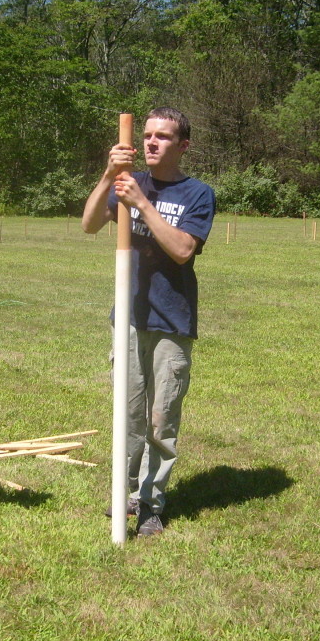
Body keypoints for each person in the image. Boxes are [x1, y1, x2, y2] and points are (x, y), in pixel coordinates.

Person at [82, 107, 216, 537]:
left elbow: (181, 249)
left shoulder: (197, 194)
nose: (151, 143)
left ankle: (152, 503)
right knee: (129, 413)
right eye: (147, 135)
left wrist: (140, 204)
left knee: (161, 419)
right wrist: (108, 175)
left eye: (163, 136)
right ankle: (126, 492)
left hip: (172, 320)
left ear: (183, 145)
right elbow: (88, 225)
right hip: (129, 316)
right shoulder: (128, 180)